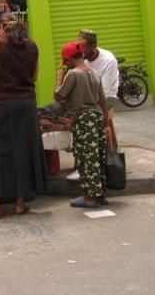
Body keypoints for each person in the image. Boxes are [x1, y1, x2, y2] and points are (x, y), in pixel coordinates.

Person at [0, 13, 48, 220]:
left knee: (1, 152)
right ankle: (19, 203)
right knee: (23, 151)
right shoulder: (33, 46)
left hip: (5, 103)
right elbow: (34, 77)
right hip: (27, 103)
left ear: (1, 27)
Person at [55, 40, 111, 208]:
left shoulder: (73, 74)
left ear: (70, 59)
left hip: (83, 120)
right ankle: (100, 195)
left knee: (86, 158)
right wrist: (106, 124)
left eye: (67, 62)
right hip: (98, 117)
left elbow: (59, 97)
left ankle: (89, 198)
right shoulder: (94, 73)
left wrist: (59, 79)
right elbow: (103, 101)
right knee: (98, 157)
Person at [64, 29, 120, 181]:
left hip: (106, 97)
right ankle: (83, 160)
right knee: (55, 108)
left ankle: (86, 165)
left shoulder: (108, 60)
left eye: (83, 47)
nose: (80, 51)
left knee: (85, 116)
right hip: (86, 98)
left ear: (93, 46)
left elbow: (104, 93)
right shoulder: (82, 60)